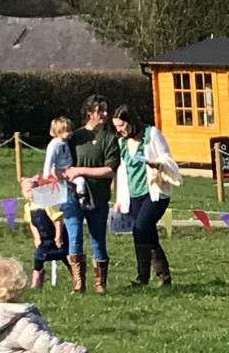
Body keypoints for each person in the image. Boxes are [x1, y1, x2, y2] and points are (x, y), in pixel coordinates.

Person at [113, 104, 181, 287]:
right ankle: (150, 277)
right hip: (133, 193)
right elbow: (121, 171)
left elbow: (167, 158)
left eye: (122, 126)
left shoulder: (151, 134)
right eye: (116, 127)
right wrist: (119, 199)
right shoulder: (121, 143)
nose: (119, 130)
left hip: (154, 192)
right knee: (144, 233)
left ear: (131, 121)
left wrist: (155, 164)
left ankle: (157, 274)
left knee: (141, 227)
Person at [62, 95, 119, 295]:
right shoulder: (74, 137)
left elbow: (110, 170)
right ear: (89, 112)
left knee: (98, 241)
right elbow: (61, 162)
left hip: (98, 197)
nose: (104, 114)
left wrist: (81, 171)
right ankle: (78, 285)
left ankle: (100, 285)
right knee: (74, 238)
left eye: (105, 110)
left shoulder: (110, 139)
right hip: (72, 196)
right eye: (100, 110)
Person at [42, 116, 88, 294]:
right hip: (61, 171)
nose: (69, 133)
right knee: (78, 183)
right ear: (58, 132)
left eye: (70, 130)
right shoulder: (54, 144)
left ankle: (82, 197)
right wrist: (48, 174)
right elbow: (49, 159)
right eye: (66, 131)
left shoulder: (65, 142)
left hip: (69, 169)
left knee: (81, 181)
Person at [21, 175, 67, 288]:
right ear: (22, 193)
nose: (30, 193)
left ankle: (77, 278)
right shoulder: (28, 207)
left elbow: (58, 219)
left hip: (55, 236)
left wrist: (58, 237)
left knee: (66, 257)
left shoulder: (45, 204)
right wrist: (36, 237)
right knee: (38, 257)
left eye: (33, 190)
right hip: (43, 239)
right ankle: (37, 281)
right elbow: (32, 223)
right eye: (27, 191)